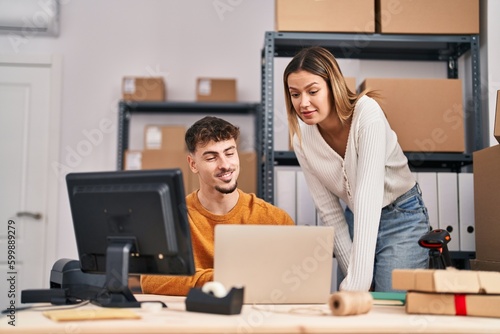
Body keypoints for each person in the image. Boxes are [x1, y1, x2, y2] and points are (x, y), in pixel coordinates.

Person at [283, 46, 429, 292]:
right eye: (294, 94)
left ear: (333, 86)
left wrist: (358, 281)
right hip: (355, 218)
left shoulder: (367, 113)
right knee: (354, 309)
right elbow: (329, 211)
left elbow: (368, 194)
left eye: (313, 91)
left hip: (401, 216)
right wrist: (353, 278)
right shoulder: (301, 138)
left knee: (389, 309)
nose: (303, 103)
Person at [141, 116, 295, 296]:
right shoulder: (171, 218)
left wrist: (195, 280)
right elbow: (151, 280)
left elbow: (295, 279)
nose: (225, 165)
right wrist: (220, 280)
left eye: (230, 153)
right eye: (211, 157)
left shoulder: (275, 220)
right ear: (193, 164)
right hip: (192, 318)